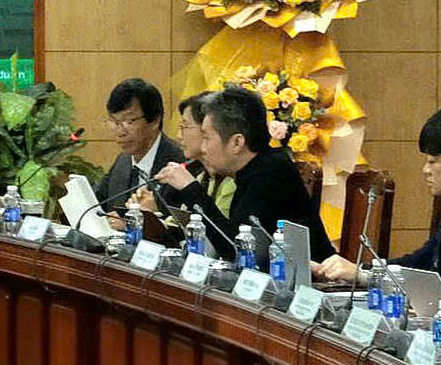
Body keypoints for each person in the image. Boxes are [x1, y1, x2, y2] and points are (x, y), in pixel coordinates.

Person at [155, 86, 336, 261]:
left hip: (313, 278)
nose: (203, 148)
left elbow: (236, 250)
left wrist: (190, 188)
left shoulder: (271, 173)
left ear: (237, 142)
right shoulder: (252, 169)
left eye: (207, 138)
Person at [312, 101, 441, 283]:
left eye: (432, 161)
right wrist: (362, 272)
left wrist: (362, 274)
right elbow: (419, 263)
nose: (425, 170)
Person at [95, 78, 185, 226]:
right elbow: (97, 206)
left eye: (128, 121)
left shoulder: (180, 164)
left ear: (155, 121)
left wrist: (134, 225)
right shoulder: (123, 162)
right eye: (115, 122)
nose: (120, 131)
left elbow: (183, 228)